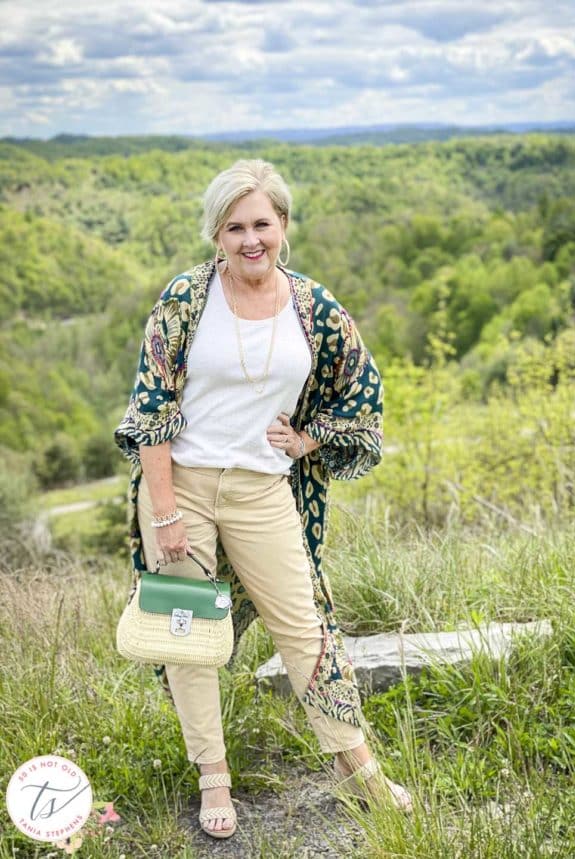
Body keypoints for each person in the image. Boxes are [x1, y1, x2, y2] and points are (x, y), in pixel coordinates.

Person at [114, 159, 412, 839]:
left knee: (306, 627)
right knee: (190, 636)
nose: (251, 239)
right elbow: (150, 408)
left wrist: (310, 440)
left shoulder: (314, 307)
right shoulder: (187, 298)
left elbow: (363, 395)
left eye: (262, 224)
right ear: (216, 234)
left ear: (283, 225)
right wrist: (163, 510)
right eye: (235, 226)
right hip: (181, 486)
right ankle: (212, 775)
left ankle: (356, 766)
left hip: (261, 490)